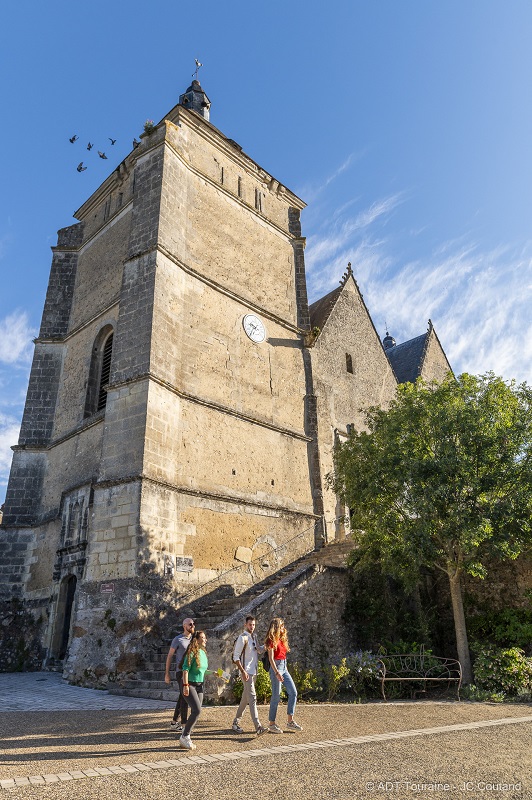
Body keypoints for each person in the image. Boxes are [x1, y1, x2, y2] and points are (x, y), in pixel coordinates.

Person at [231, 615, 267, 736]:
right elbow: (235, 657)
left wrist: (268, 644)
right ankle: (258, 727)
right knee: (252, 698)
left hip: (254, 672)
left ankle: (235, 722)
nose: (252, 627)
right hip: (246, 673)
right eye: (250, 624)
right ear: (245, 625)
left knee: (245, 699)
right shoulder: (242, 638)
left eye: (253, 625)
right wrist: (243, 671)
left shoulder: (254, 637)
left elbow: (259, 650)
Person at [265, 617, 302, 733]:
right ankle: (272, 724)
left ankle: (290, 721)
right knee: (276, 696)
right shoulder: (271, 640)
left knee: (293, 692)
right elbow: (271, 659)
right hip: (276, 667)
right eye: (281, 626)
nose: (283, 628)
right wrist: (276, 673)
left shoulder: (282, 639)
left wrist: (282, 670)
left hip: (284, 666)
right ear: (276, 627)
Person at [179, 630, 210, 750]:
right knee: (196, 710)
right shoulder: (191, 652)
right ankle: (185, 736)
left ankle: (186, 736)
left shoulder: (202, 652)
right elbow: (185, 669)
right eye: (203, 637)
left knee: (197, 712)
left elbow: (202, 671)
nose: (205, 639)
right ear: (196, 640)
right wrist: (186, 685)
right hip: (189, 684)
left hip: (199, 686)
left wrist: (215, 673)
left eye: (205, 637)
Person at [164, 618, 195, 731]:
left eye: (193, 624)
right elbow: (169, 656)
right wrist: (167, 674)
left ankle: (173, 722)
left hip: (191, 673)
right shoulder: (178, 639)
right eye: (190, 624)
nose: (192, 626)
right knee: (185, 696)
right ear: (184, 626)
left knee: (182, 697)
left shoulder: (194, 639)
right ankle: (184, 725)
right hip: (180, 672)